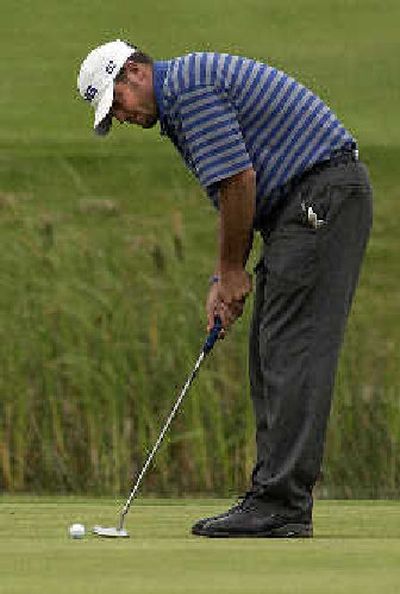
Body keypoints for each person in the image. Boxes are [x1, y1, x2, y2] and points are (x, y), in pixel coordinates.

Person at [77, 39, 373, 538]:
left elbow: (238, 179)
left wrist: (230, 271)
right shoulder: (178, 99)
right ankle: (273, 497)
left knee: (290, 351)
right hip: (306, 206)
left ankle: (281, 502)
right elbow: (238, 188)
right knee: (270, 351)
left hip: (321, 198)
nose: (121, 117)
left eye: (117, 102)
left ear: (133, 71)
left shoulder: (188, 90)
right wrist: (224, 276)